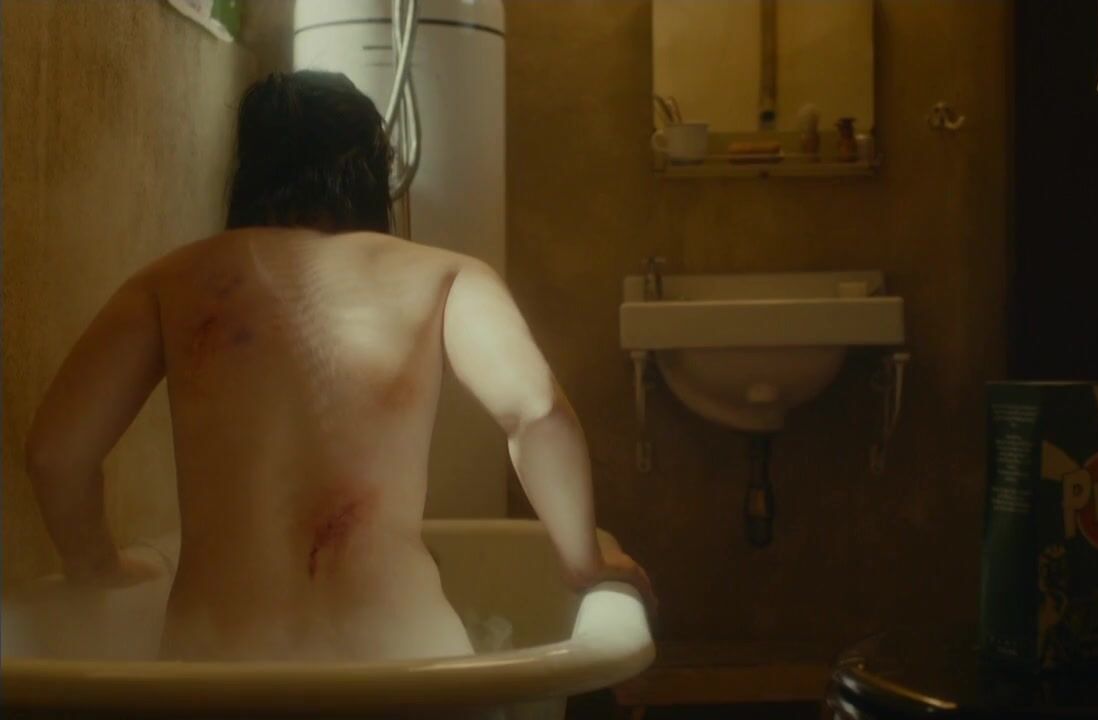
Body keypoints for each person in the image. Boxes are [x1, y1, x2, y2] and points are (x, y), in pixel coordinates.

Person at [24, 71, 655, 661]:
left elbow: (56, 454)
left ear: (249, 170)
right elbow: (537, 412)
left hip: (218, 667)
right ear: (371, 172)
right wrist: (584, 564)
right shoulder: (447, 274)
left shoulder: (169, 280)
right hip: (402, 658)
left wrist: (95, 567)